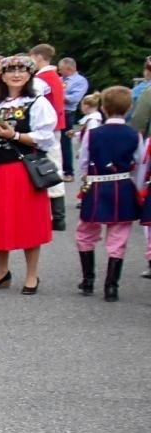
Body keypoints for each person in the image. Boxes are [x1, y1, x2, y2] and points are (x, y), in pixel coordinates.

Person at [0, 54, 56, 293]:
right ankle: (1, 272)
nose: (16, 74)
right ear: (2, 75)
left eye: (21, 70)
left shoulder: (37, 102)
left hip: (22, 168)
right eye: (11, 70)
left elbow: (45, 139)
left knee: (27, 220)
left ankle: (32, 275)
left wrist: (15, 135)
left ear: (29, 75)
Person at [75, 86, 142, 300]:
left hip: (96, 186)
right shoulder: (134, 135)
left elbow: (83, 161)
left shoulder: (93, 134)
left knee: (85, 233)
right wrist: (138, 189)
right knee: (118, 237)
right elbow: (140, 163)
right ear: (129, 107)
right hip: (122, 186)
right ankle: (111, 287)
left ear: (103, 107)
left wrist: (82, 183)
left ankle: (88, 281)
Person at [30, 43, 68, 230]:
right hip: (56, 126)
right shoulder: (54, 77)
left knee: (48, 168)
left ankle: (57, 215)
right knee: (55, 165)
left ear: (37, 57)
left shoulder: (41, 80)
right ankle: (57, 215)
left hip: (47, 128)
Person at [57, 57, 89, 179]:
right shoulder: (59, 79)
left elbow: (74, 98)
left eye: (61, 69)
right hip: (55, 111)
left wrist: (58, 93)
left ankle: (68, 171)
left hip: (67, 112)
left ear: (69, 68)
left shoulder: (80, 81)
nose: (59, 72)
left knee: (65, 142)